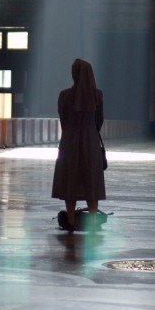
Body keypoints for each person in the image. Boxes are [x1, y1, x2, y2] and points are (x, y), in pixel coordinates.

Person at [51, 58, 106, 231]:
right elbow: (99, 121)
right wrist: (88, 129)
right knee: (91, 180)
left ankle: (71, 221)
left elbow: (63, 119)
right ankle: (92, 221)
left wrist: (72, 132)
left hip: (70, 140)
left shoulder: (64, 95)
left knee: (70, 179)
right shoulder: (97, 95)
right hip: (90, 141)